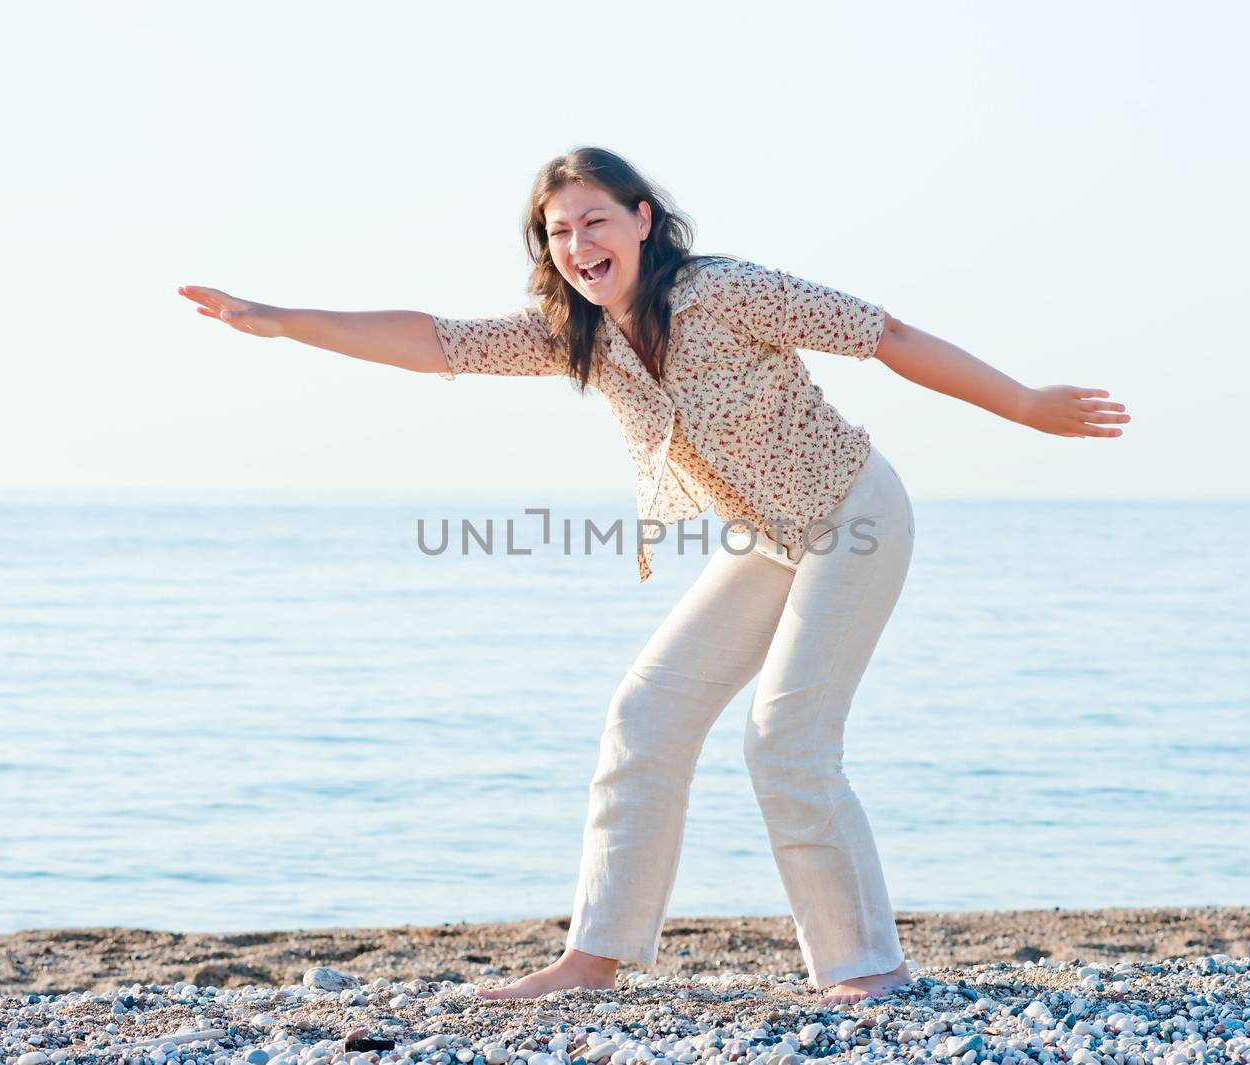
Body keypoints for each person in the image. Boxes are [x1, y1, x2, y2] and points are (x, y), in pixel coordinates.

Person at [177, 146, 1130, 1007]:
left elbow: (888, 335)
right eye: (558, 232)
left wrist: (1023, 403)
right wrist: (284, 320)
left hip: (854, 515)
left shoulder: (727, 290)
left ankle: (867, 968)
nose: (579, 244)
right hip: (766, 537)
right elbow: (438, 341)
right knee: (645, 715)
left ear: (642, 218)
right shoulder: (573, 332)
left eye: (595, 220)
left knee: (786, 738)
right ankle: (595, 956)